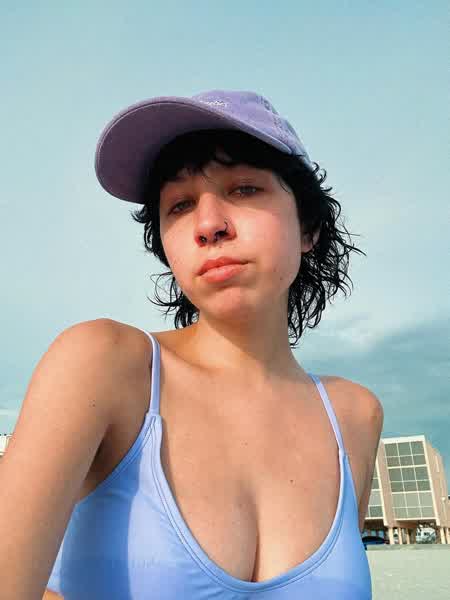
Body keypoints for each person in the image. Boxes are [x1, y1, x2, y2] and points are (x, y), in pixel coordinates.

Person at [2, 90, 383, 599]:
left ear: (309, 226)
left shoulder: (354, 417)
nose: (208, 225)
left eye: (244, 188)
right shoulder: (104, 366)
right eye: (179, 205)